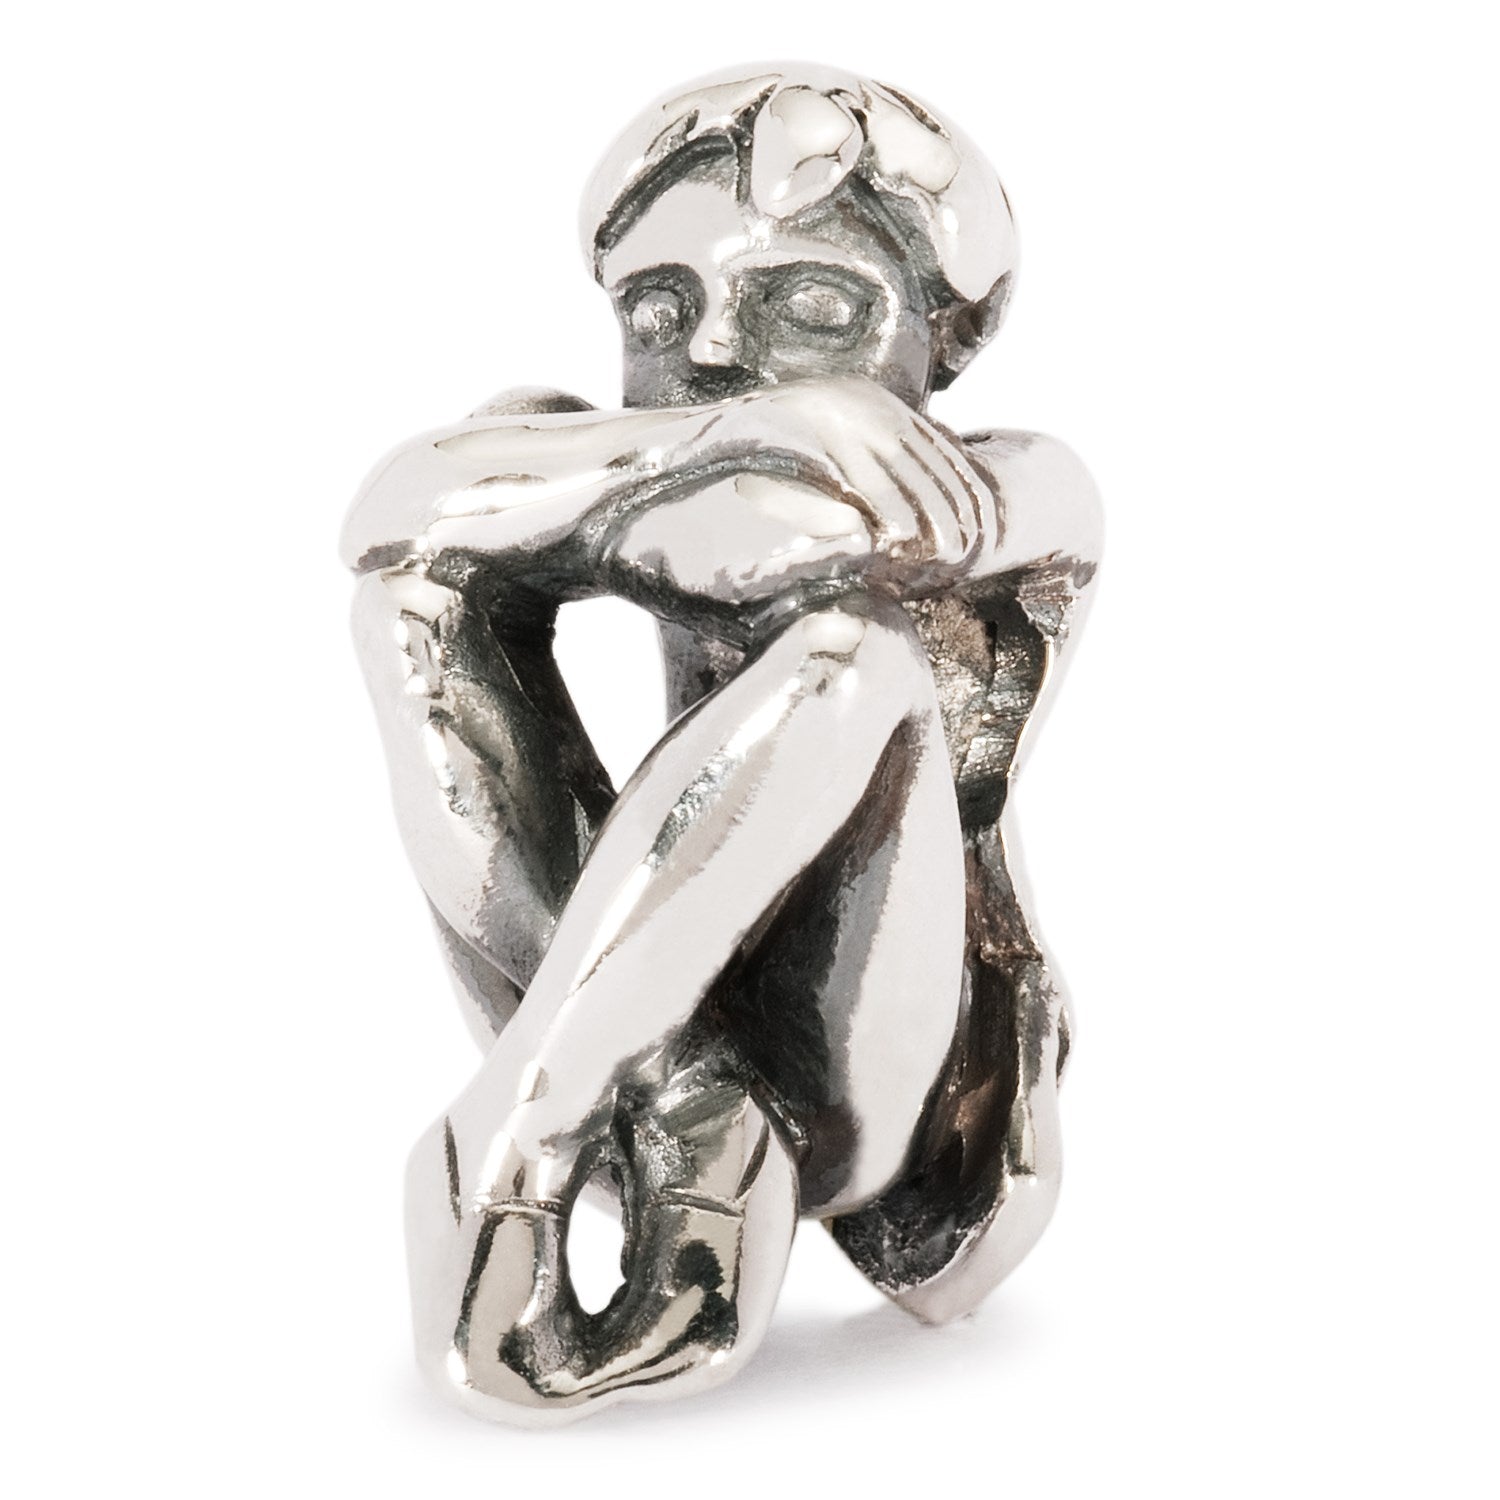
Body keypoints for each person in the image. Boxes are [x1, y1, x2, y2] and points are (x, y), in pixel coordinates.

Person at [344, 64, 1102, 1422]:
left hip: (874, 1078)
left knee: (855, 653)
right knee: (413, 603)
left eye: (809, 310)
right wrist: (748, 427)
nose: (705, 353)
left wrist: (604, 497)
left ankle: (516, 1133)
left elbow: (843, 531)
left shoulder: (1024, 481)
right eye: (657, 310)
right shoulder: (657, 440)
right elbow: (392, 516)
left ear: (937, 340)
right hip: (631, 1009)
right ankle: (683, 1106)